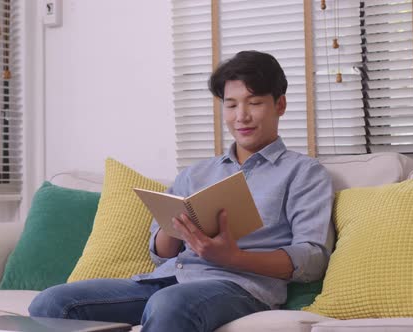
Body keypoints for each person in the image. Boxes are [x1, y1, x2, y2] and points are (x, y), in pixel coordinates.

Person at [29, 50, 334, 332]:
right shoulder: (196, 173)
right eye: (230, 105)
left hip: (240, 287)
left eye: (254, 103)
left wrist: (234, 257)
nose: (241, 116)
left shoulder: (303, 172)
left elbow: (312, 257)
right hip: (169, 278)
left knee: (169, 305)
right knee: (52, 303)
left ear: (279, 104)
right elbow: (161, 256)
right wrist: (174, 227)